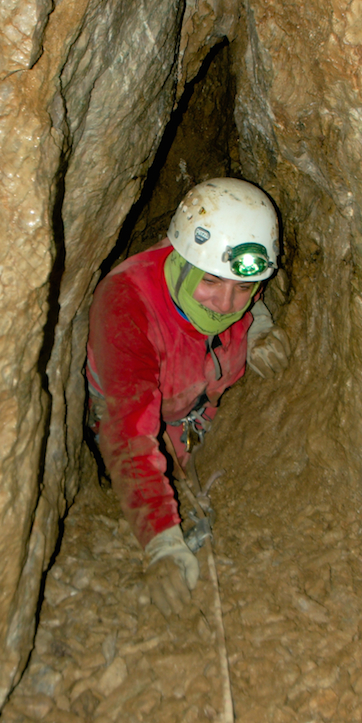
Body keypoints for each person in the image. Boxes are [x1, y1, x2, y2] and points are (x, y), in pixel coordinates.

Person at [86, 177, 290, 615]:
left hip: (193, 415)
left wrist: (258, 328)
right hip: (135, 423)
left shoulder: (237, 295)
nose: (225, 303)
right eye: (211, 281)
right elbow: (130, 432)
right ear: (181, 261)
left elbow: (246, 299)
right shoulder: (126, 303)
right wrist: (161, 541)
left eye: (241, 288)